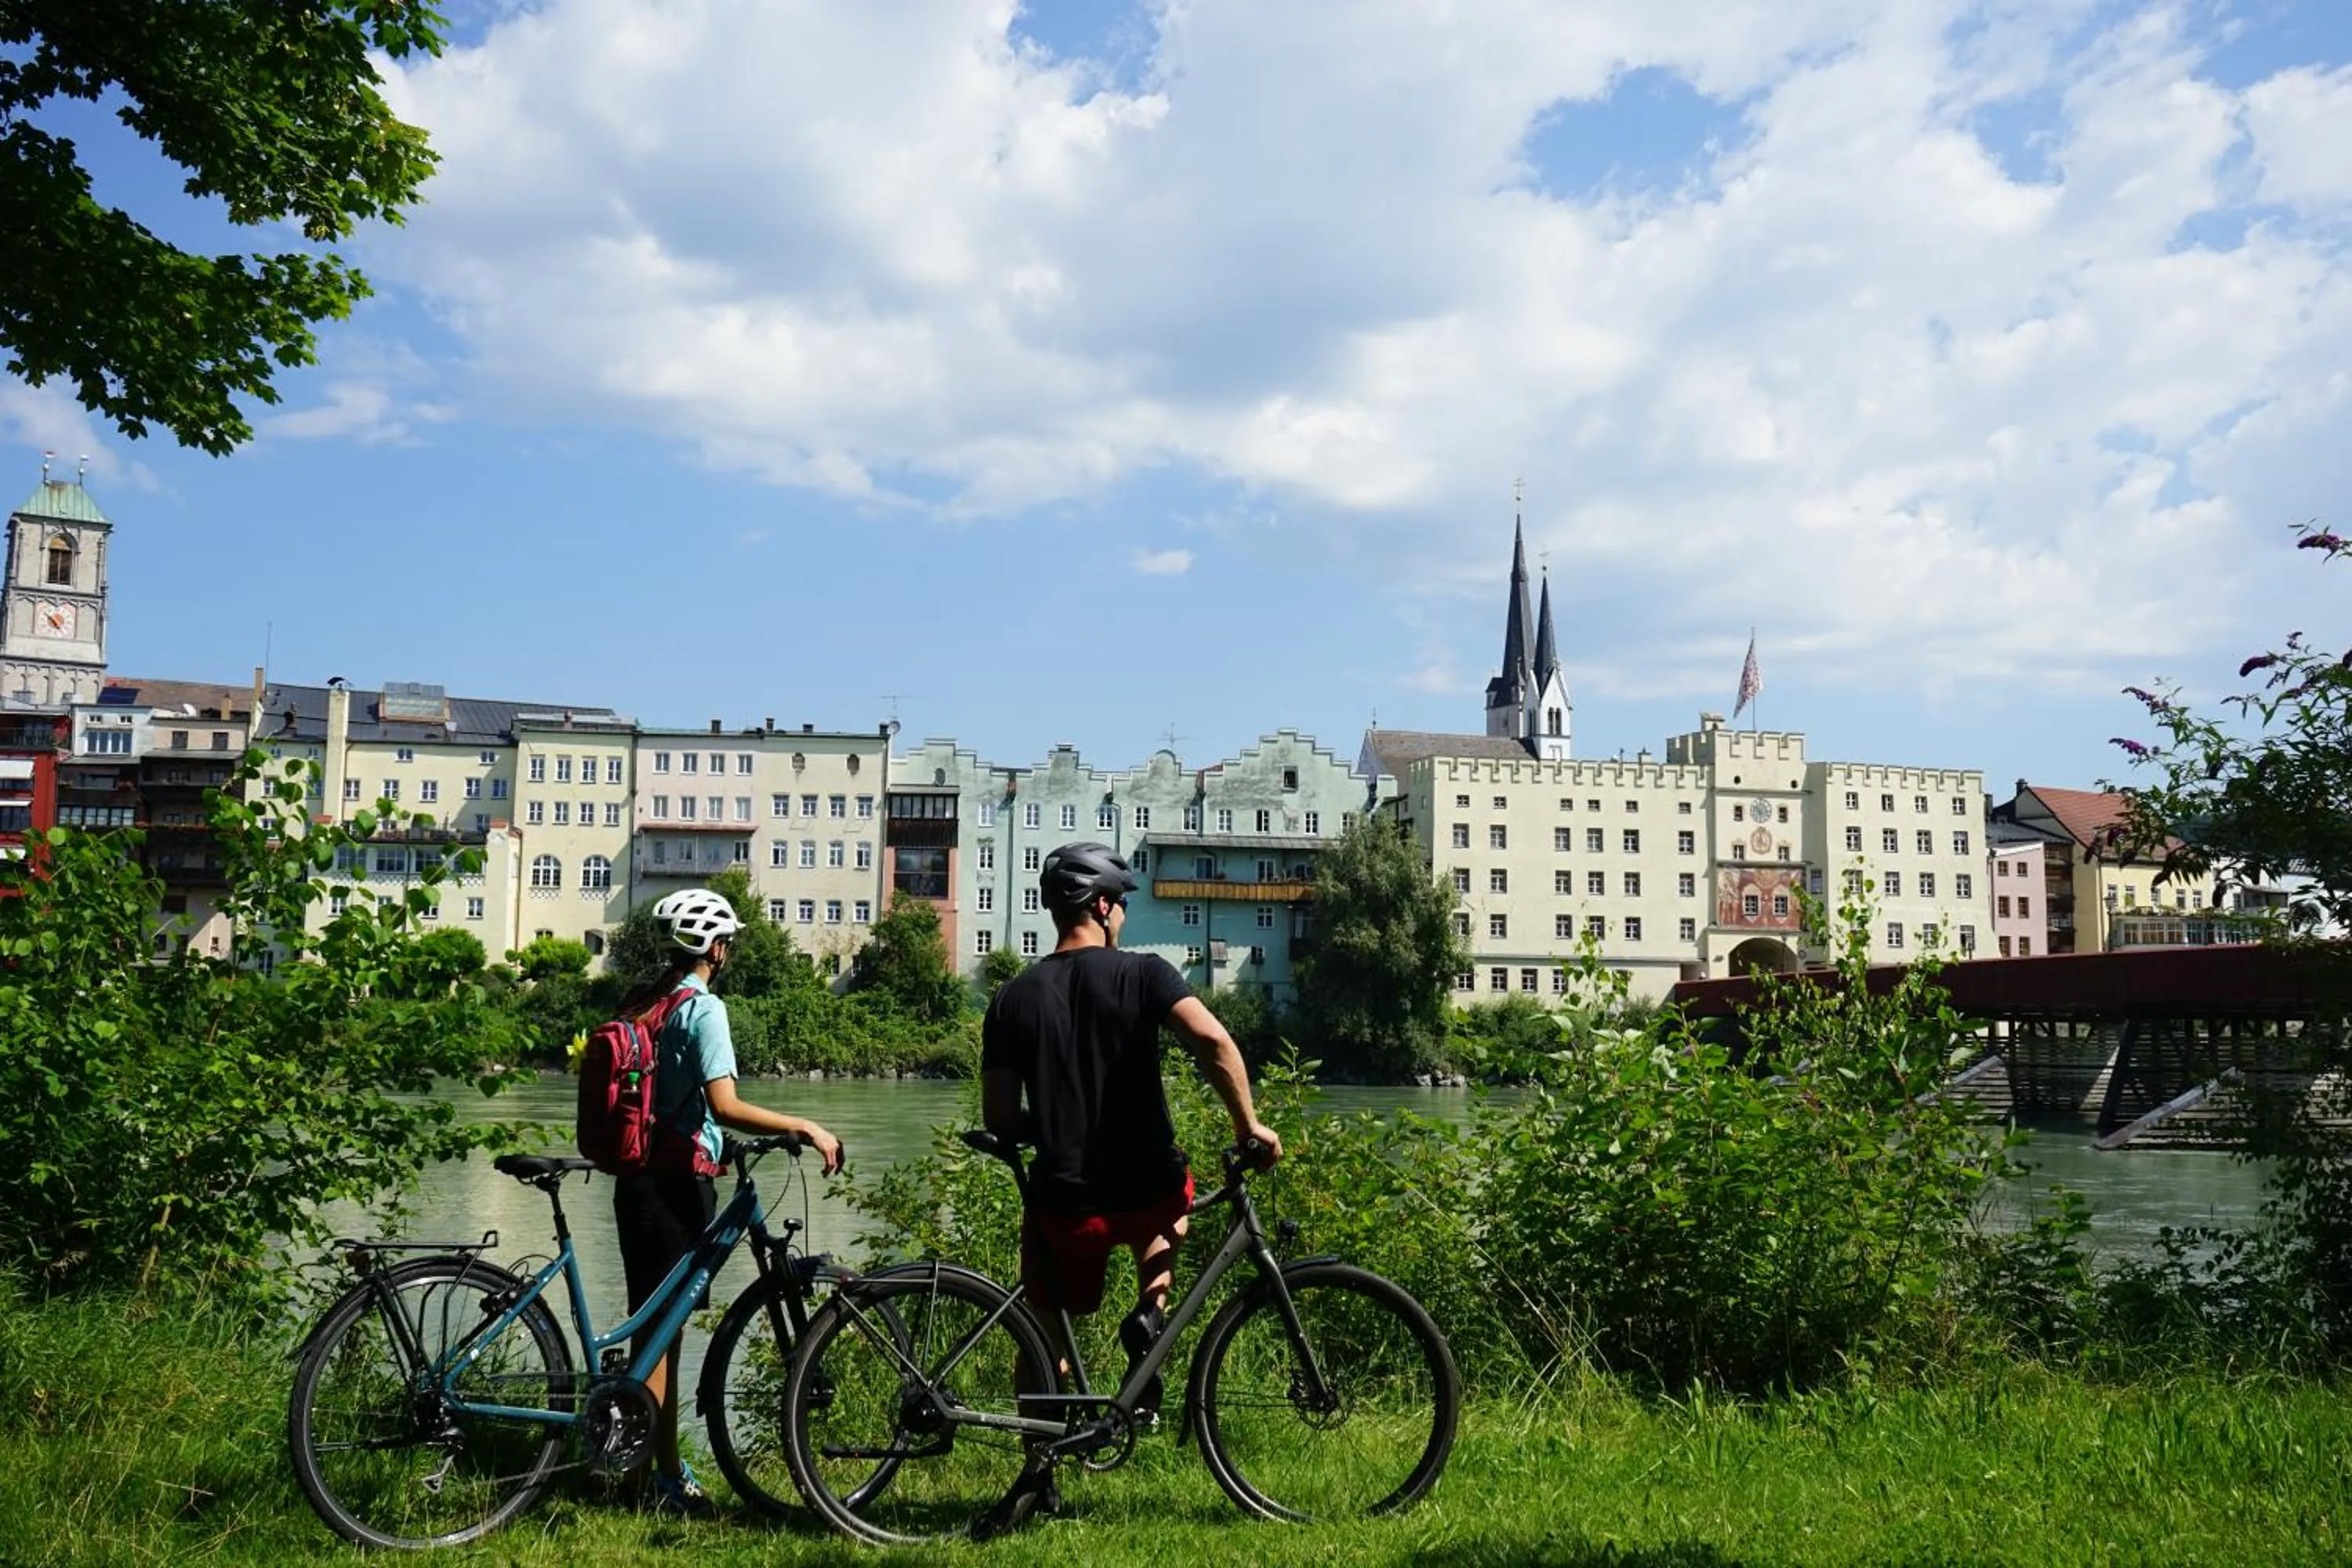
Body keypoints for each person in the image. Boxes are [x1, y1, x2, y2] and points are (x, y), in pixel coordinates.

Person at [978, 841, 1282, 1525]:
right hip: (1146, 1191)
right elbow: (1214, 1044)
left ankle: (1039, 1475)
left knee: (1043, 1340)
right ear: (1107, 907)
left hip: (1065, 1204)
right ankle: (1152, 1304)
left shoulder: (1012, 998)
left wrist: (1057, 1121)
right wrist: (1249, 1125)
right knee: (1180, 1192)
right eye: (1124, 905)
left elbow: (999, 1118)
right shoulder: (1146, 975)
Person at [612, 887, 844, 1515]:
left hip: (635, 1182)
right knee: (661, 1336)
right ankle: (639, 1482)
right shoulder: (703, 1008)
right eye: (728, 943)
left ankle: (655, 1472)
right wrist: (801, 1124)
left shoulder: (647, 1001)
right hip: (678, 1187)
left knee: (655, 1331)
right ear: (716, 948)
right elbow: (724, 1104)